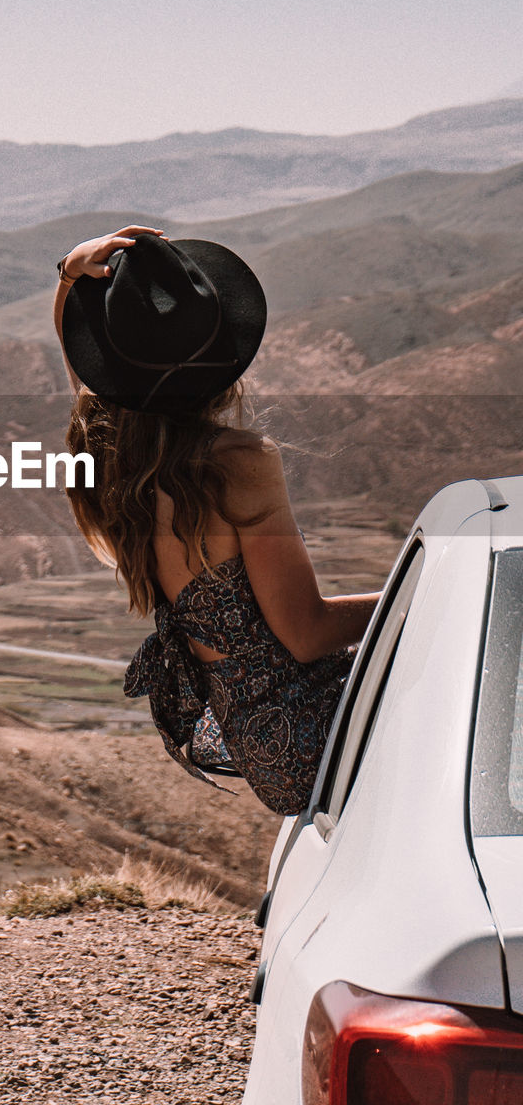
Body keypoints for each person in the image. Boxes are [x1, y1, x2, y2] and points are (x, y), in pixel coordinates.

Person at [53, 225, 379, 815]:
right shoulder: (235, 464)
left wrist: (71, 277)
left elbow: (88, 381)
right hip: (311, 728)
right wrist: (416, 596)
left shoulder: (110, 460)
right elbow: (304, 633)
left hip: (262, 747)